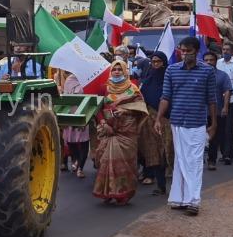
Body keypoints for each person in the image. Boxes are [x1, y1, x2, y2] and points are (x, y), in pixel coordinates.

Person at [156, 35, 217, 216]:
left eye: (188, 51)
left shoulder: (207, 71)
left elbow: (212, 100)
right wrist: (158, 118)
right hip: (177, 122)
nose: (184, 55)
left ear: (197, 52)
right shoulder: (172, 70)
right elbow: (165, 97)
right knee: (181, 160)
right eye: (182, 51)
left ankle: (193, 201)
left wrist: (213, 124)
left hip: (197, 122)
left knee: (195, 161)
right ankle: (180, 198)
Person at [91, 59, 148, 205]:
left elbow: (141, 109)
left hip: (127, 131)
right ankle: (107, 192)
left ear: (125, 71)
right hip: (107, 130)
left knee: (124, 163)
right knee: (105, 161)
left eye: (120, 69)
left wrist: (123, 113)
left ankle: (123, 194)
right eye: (114, 69)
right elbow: (97, 109)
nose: (117, 72)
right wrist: (104, 123)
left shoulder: (133, 89)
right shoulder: (104, 88)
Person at [137, 50, 171, 195]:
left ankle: (176, 186)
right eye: (153, 62)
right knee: (153, 152)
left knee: (166, 152)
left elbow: (170, 99)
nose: (155, 64)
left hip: (166, 121)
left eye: (158, 62)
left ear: (164, 63)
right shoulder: (147, 80)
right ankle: (160, 185)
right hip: (149, 121)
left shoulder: (169, 80)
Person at [201, 50, 233, 171]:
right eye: (206, 60)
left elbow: (227, 91)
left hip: (216, 111)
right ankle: (198, 161)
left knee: (214, 138)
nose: (208, 62)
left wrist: (225, 107)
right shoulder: (198, 75)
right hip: (200, 112)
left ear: (216, 61)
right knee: (199, 137)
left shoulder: (222, 75)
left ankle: (211, 161)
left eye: (211, 60)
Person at [61, 71, 91, 178]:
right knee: (70, 140)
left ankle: (80, 168)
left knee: (84, 141)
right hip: (70, 113)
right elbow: (65, 96)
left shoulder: (89, 79)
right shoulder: (69, 80)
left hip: (85, 113)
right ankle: (76, 160)